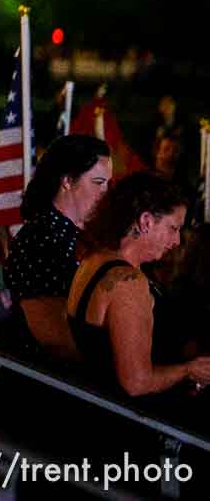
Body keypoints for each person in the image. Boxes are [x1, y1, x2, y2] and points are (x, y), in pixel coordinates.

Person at [64, 173, 210, 461]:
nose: (177, 241)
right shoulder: (128, 282)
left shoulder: (94, 261)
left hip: (100, 422)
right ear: (145, 222)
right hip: (131, 438)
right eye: (172, 228)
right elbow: (136, 381)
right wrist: (189, 370)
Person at [2, 133, 112, 361]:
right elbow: (51, 332)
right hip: (46, 377)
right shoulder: (41, 238)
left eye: (108, 184)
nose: (105, 192)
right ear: (68, 180)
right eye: (98, 183)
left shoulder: (87, 236)